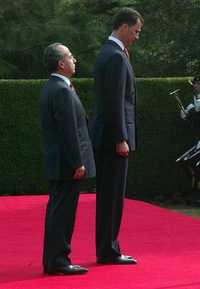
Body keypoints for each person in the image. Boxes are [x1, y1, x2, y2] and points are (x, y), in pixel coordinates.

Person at [90, 8, 144, 264]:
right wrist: (120, 138)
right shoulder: (115, 57)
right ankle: (109, 251)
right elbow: (114, 102)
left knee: (109, 196)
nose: (136, 36)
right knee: (112, 198)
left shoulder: (110, 53)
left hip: (109, 137)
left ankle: (108, 248)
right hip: (114, 140)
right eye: (136, 31)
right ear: (123, 26)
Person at [41, 43, 95, 275]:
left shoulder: (53, 87)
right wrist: (77, 162)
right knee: (62, 213)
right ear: (61, 63)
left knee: (57, 211)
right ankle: (59, 261)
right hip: (66, 164)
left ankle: (55, 259)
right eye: (71, 57)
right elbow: (68, 131)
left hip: (59, 162)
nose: (75, 61)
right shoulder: (61, 90)